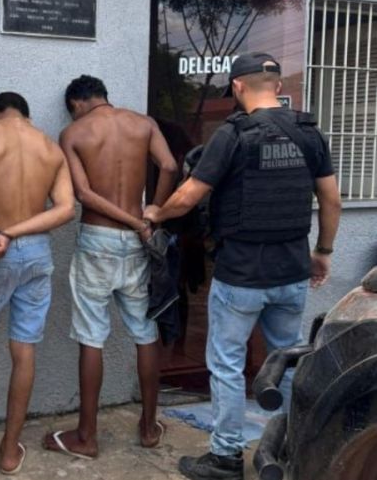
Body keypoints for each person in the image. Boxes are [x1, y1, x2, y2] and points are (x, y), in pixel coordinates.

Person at [143, 52, 341, 480]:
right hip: (292, 271)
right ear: (278, 87)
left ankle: (226, 457)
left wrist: (157, 212)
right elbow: (331, 199)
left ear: (237, 87)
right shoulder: (309, 132)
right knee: (286, 362)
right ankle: (293, 451)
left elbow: (189, 195)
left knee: (227, 365)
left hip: (241, 275)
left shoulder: (233, 133)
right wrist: (323, 251)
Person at [43, 75, 178, 459]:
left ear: (77, 103)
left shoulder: (73, 133)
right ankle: (149, 428)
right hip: (138, 241)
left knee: (92, 337)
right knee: (145, 333)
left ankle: (87, 437)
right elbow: (169, 165)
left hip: (98, 240)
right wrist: (152, 214)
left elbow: (84, 194)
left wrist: (136, 223)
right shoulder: (143, 124)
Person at [0, 92, 76, 475]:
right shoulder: (50, 148)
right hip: (37, 253)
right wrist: (15, 232)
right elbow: (66, 209)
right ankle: (9, 451)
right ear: (27, 114)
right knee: (24, 349)